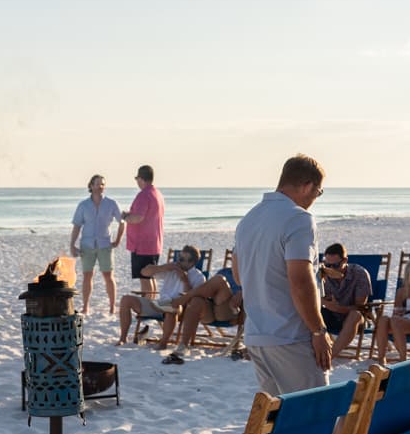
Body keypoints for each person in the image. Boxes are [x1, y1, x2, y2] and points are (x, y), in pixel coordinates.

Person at [232, 155, 332, 395]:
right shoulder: (299, 218)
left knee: (281, 419)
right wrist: (319, 330)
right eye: (318, 193)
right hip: (290, 335)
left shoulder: (249, 218)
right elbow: (300, 281)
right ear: (308, 186)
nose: (314, 199)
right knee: (317, 414)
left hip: (257, 334)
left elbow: (238, 276)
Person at [116, 245, 206, 346]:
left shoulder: (199, 277)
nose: (179, 261)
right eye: (179, 258)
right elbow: (144, 272)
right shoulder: (171, 269)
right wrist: (164, 267)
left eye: (182, 259)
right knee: (125, 300)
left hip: (177, 307)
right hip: (159, 305)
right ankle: (123, 338)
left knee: (172, 309)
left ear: (192, 262)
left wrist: (185, 280)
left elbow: (192, 299)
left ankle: (163, 343)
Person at [160, 271, 244, 364]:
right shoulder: (226, 271)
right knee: (196, 301)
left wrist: (243, 293)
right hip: (211, 308)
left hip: (230, 310)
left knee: (219, 279)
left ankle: (185, 298)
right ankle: (184, 345)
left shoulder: (253, 275)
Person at [69, 174, 123, 315]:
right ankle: (86, 306)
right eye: (97, 184)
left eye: (102, 184)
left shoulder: (111, 203)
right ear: (91, 186)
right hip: (87, 244)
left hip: (105, 244)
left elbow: (122, 222)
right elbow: (77, 226)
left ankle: (112, 307)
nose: (100, 187)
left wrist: (118, 240)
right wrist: (72, 245)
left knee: (108, 276)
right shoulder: (83, 205)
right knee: (87, 275)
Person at [318, 243, 373, 359]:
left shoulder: (359, 274)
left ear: (345, 260)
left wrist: (337, 308)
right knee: (309, 312)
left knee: (355, 315)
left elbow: (360, 307)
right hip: (331, 315)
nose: (331, 268)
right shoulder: (322, 273)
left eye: (336, 265)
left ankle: (330, 356)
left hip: (355, 319)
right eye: (328, 265)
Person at [120, 165, 165, 298]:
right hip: (154, 243)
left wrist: (125, 217)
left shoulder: (144, 195)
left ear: (141, 178)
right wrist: (131, 214)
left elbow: (138, 218)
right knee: (150, 276)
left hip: (143, 245)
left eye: (137, 179)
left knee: (145, 278)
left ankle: (147, 306)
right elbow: (146, 214)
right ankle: (151, 303)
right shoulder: (157, 194)